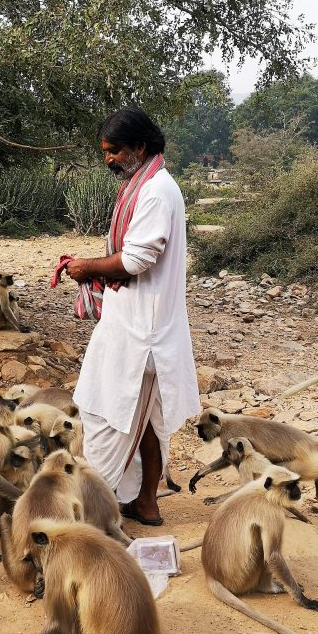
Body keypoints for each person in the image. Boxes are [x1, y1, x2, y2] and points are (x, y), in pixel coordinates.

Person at [67, 108, 200, 526]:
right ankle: (143, 501)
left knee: (104, 411)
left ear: (140, 147)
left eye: (115, 151)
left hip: (143, 332)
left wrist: (88, 267)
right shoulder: (144, 185)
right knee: (140, 417)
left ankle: (94, 510)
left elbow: (139, 258)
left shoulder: (156, 191)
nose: (108, 159)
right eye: (104, 151)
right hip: (138, 325)